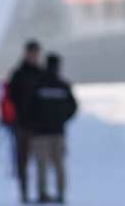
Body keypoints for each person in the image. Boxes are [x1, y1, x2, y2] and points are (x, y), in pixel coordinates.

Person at [30, 53, 79, 204]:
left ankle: (42, 193)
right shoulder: (63, 85)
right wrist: (61, 120)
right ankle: (61, 193)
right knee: (59, 165)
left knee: (41, 165)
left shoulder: (38, 84)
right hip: (58, 132)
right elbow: (73, 107)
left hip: (40, 133)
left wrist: (36, 122)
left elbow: (30, 108)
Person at [7, 40, 46, 203]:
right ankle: (24, 193)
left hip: (39, 126)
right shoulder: (18, 74)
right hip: (22, 125)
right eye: (32, 53)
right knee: (23, 161)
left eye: (36, 53)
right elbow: (11, 97)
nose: (34, 56)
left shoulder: (42, 73)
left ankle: (41, 192)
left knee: (41, 161)